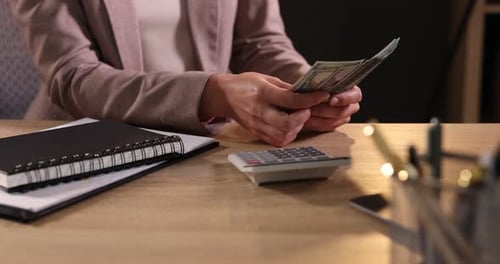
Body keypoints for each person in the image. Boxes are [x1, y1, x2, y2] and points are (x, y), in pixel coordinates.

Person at [10, 0, 362, 147]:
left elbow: (258, 42)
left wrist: (306, 88)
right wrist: (213, 94)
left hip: (211, 147)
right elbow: (73, 77)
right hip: (87, 145)